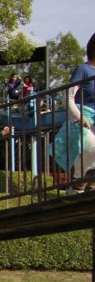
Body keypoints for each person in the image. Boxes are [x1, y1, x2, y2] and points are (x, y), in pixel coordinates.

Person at [55, 32, 95, 194]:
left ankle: (78, 195)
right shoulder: (84, 70)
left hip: (93, 125)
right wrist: (78, 117)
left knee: (85, 171)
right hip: (81, 122)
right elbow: (67, 97)